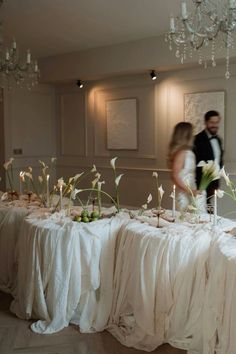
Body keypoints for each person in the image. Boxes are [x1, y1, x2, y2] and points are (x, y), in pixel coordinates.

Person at [193, 110, 224, 202]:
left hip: (214, 182)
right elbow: (195, 163)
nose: (214, 125)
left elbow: (219, 161)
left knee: (209, 209)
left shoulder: (218, 139)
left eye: (217, 122)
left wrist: (217, 182)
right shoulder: (197, 139)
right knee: (200, 211)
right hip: (200, 184)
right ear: (206, 122)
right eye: (212, 122)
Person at [168, 122, 198, 211]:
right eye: (192, 132)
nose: (193, 135)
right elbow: (175, 176)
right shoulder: (181, 153)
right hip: (184, 194)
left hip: (191, 191)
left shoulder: (186, 151)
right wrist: (190, 191)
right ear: (187, 135)